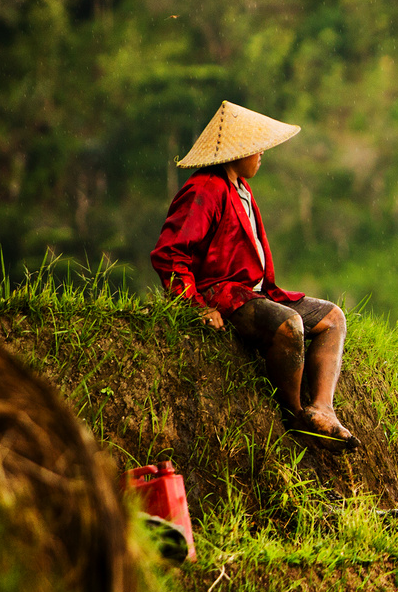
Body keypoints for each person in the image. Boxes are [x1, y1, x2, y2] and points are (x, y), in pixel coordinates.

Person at [150, 101, 357, 451]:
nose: (262, 154)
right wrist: (193, 305)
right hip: (224, 293)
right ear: (238, 151)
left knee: (333, 318)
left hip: (256, 292)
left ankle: (322, 408)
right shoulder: (205, 189)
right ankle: (295, 415)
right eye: (256, 147)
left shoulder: (240, 189)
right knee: (288, 325)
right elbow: (170, 253)